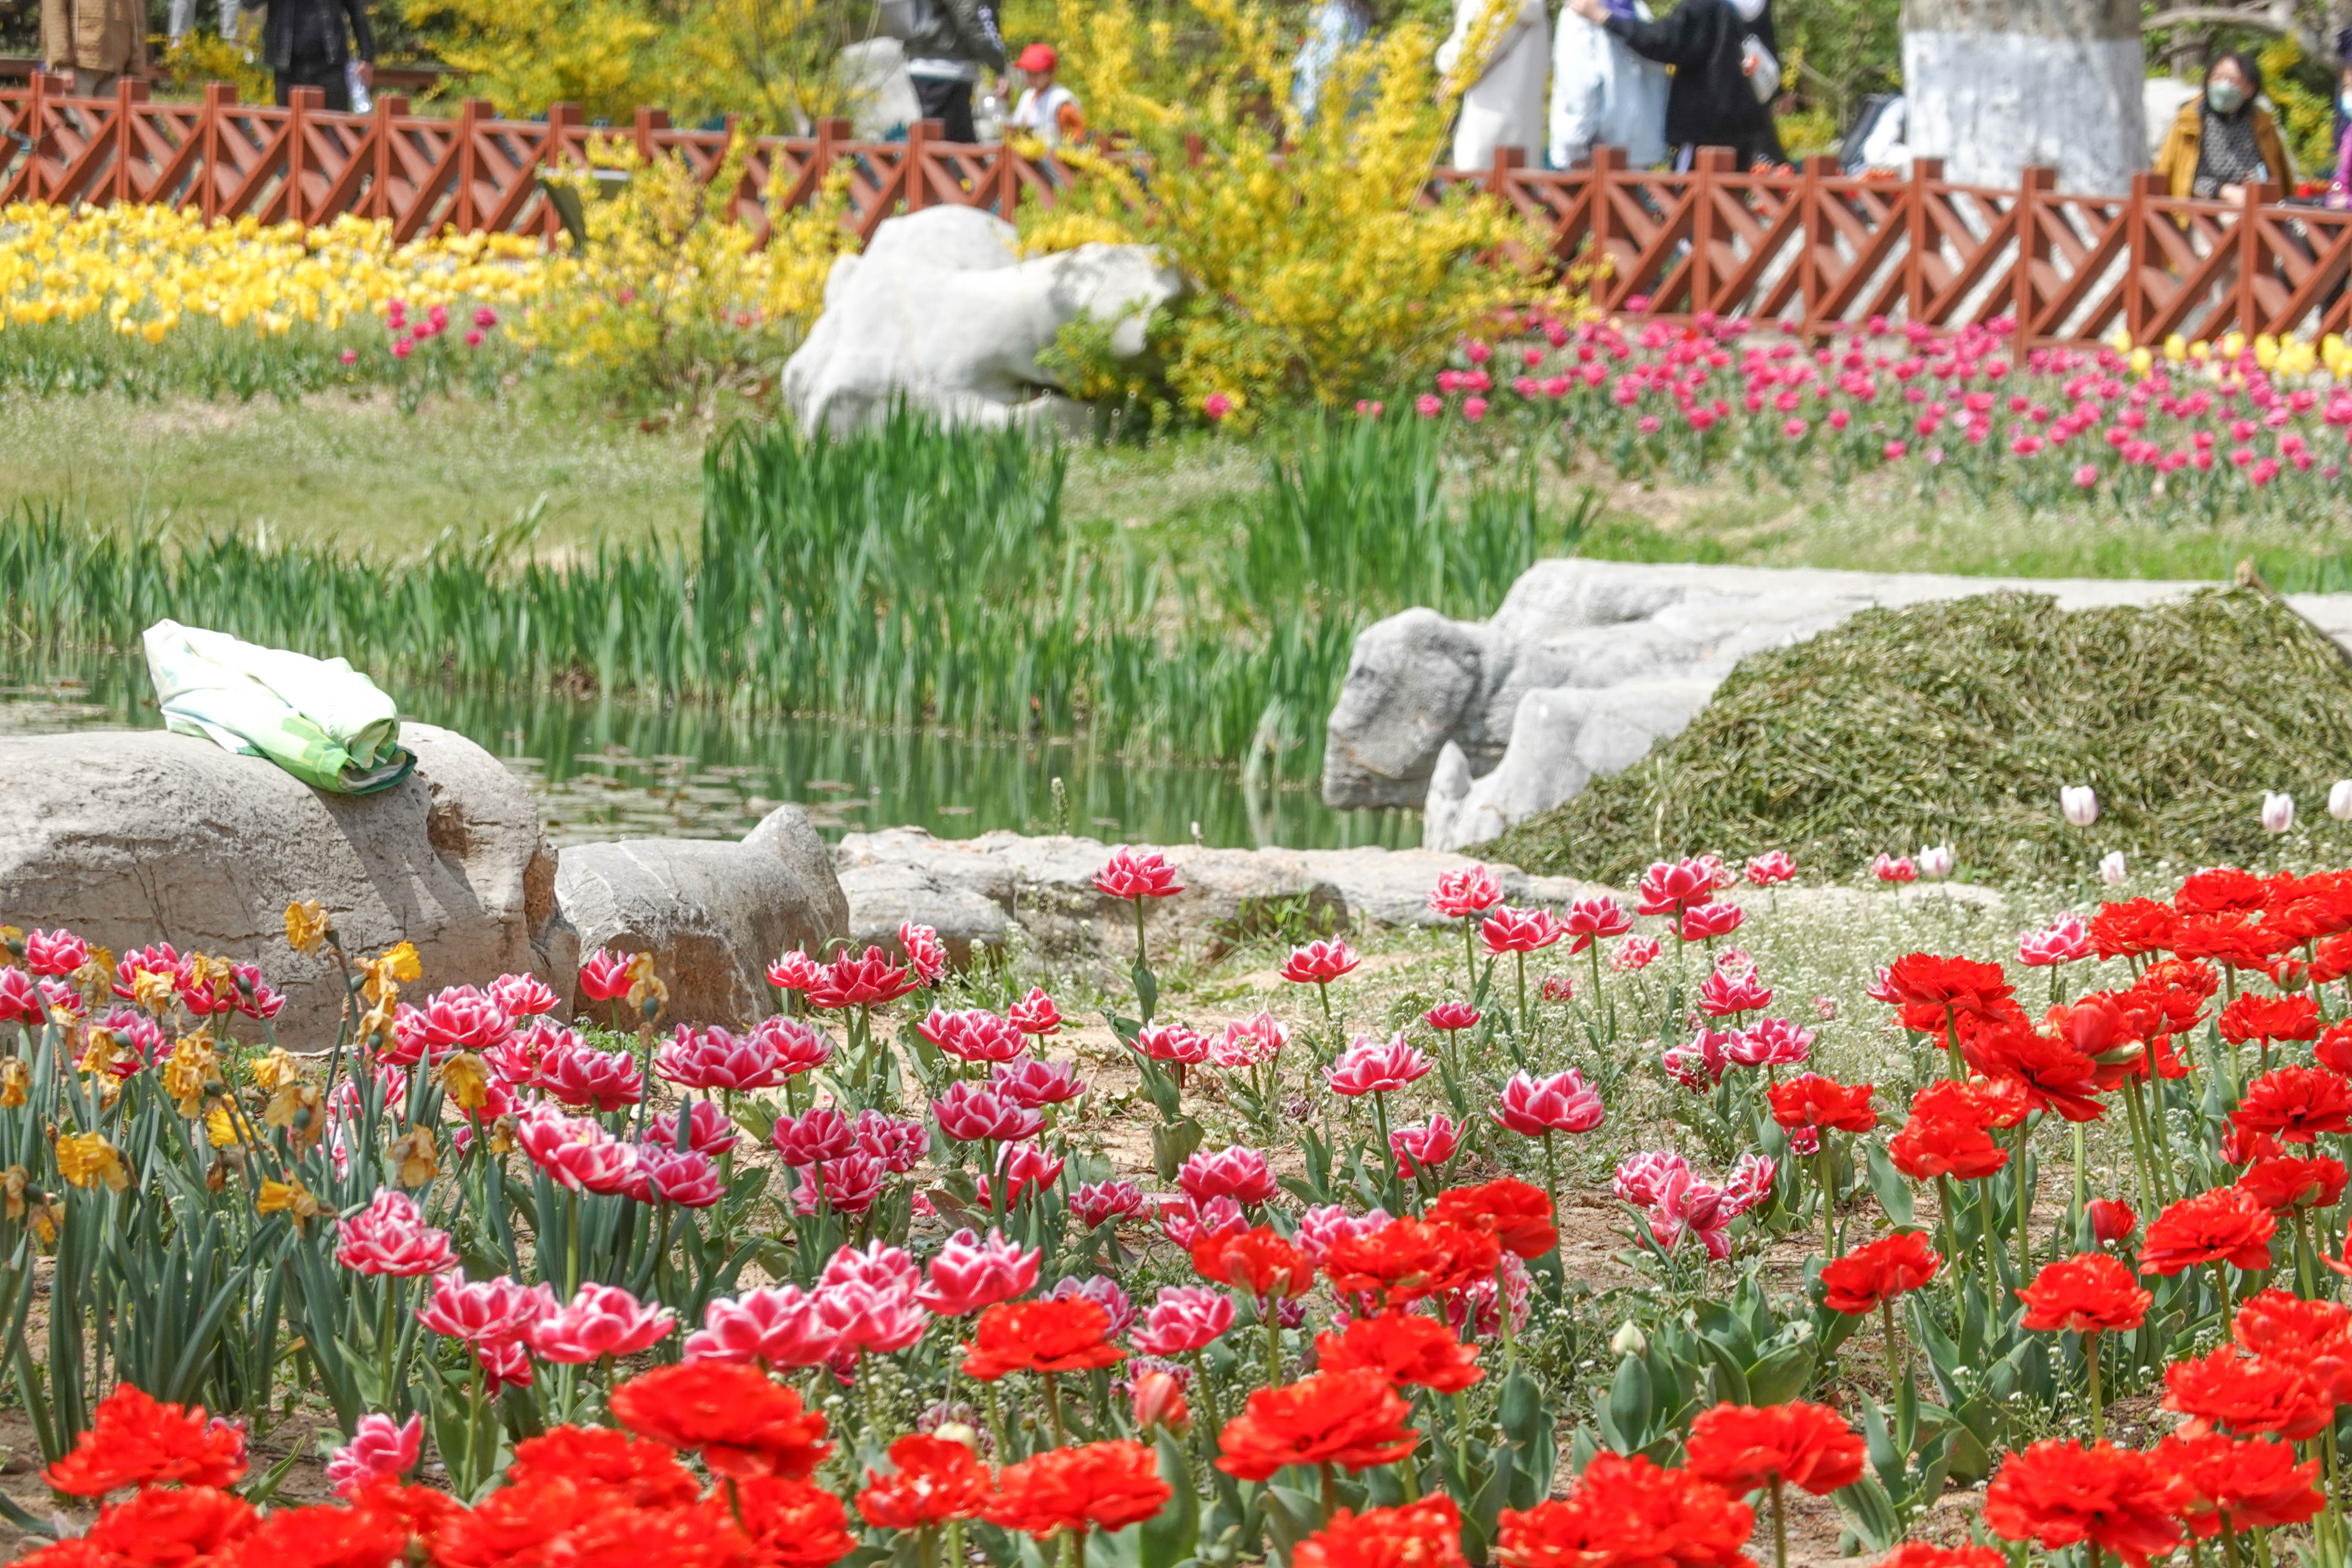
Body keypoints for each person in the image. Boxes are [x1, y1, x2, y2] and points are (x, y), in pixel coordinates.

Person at [1566, 0, 1785, 170]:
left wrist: (1605, 17)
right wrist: (1780, 92)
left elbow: (1664, 42)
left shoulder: (1703, 5)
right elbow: (1768, 49)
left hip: (1704, 126)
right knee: (1738, 208)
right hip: (1750, 122)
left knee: (1689, 212)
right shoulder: (1758, 6)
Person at [2153, 52, 2293, 202]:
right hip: (2199, 211)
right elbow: (2180, 178)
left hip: (2254, 208)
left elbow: (2280, 179)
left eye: (2232, 80)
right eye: (2217, 78)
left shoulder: (2262, 124)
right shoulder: (2189, 123)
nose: (2223, 86)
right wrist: (2223, 190)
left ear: (2250, 89)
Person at [1549, 0, 1668, 169]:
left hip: (1594, 154)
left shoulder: (1581, 9)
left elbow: (1578, 88)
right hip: (1639, 149)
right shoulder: (1638, 10)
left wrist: (1573, 147)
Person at [1436, 0, 1549, 170]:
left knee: (1476, 192)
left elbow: (1464, 61)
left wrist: (1444, 53)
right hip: (1524, 133)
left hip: (1485, 131)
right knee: (1520, 193)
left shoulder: (1488, 4)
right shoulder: (1535, 8)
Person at [903, 0, 1006, 143]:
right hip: (947, 69)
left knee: (942, 142)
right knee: (953, 148)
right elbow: (973, 20)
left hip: (923, 62)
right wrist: (999, 66)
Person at [239, 0, 374, 110]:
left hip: (330, 67)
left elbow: (357, 12)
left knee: (335, 130)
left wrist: (367, 57)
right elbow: (248, 4)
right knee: (289, 131)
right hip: (288, 68)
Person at [40, 0, 144, 96]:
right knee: (75, 116)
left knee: (115, 117)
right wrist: (63, 65)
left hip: (118, 69)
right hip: (79, 66)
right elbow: (54, 12)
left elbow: (138, 20)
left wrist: (136, 69)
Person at [1291, 0, 1370, 125]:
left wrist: (1308, 108)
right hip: (1347, 106)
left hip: (1328, 105)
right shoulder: (1359, 13)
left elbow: (1327, 63)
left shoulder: (1339, 16)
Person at [1006, 42, 1083, 148]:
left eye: (1037, 73)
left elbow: (1076, 139)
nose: (1032, 77)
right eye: (1029, 72)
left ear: (1051, 73)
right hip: (1029, 158)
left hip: (1057, 160)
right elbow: (1016, 130)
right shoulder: (1027, 96)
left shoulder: (1061, 100)